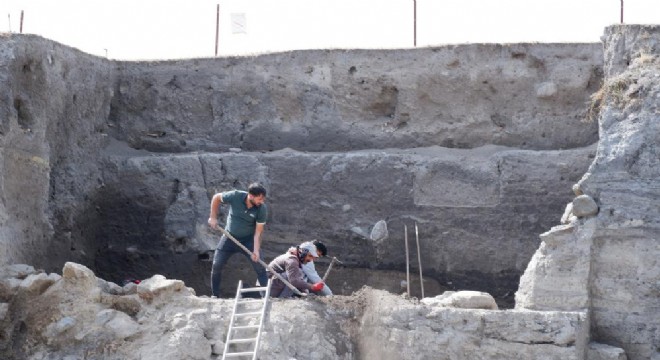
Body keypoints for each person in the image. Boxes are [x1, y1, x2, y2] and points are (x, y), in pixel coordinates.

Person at [208, 182, 269, 297]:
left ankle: (266, 297)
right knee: (217, 265)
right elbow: (216, 198)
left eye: (263, 199)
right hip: (229, 237)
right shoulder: (235, 196)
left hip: (248, 240)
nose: (261, 202)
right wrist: (213, 217)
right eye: (259, 199)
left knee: (260, 267)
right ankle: (215, 295)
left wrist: (256, 250)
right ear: (251, 196)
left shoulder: (261, 209)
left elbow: (258, 232)